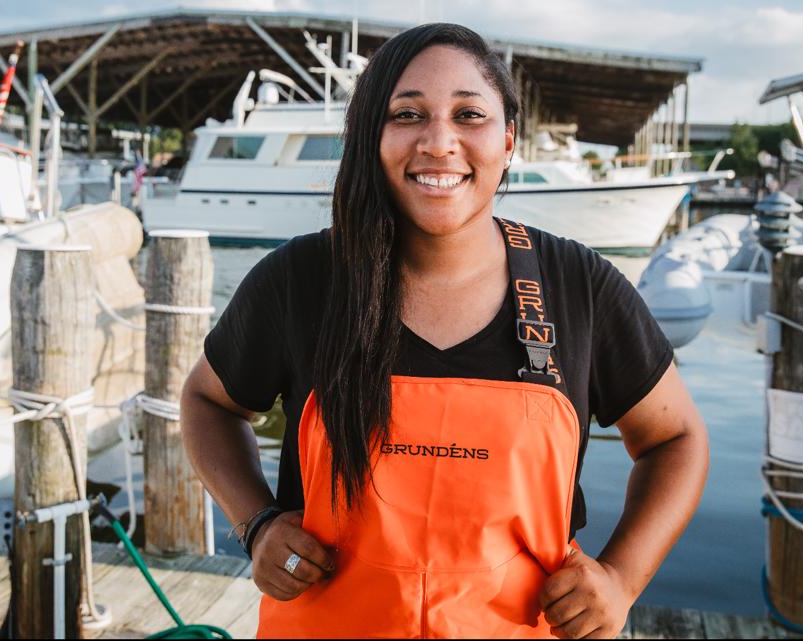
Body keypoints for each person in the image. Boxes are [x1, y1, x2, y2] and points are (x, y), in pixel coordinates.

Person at [181, 22, 709, 639]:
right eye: (407, 114)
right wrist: (257, 524)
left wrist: (622, 577)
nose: (438, 142)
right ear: (370, 138)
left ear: (508, 140)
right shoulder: (299, 279)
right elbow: (207, 402)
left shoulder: (579, 285)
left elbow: (676, 438)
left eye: (469, 114)